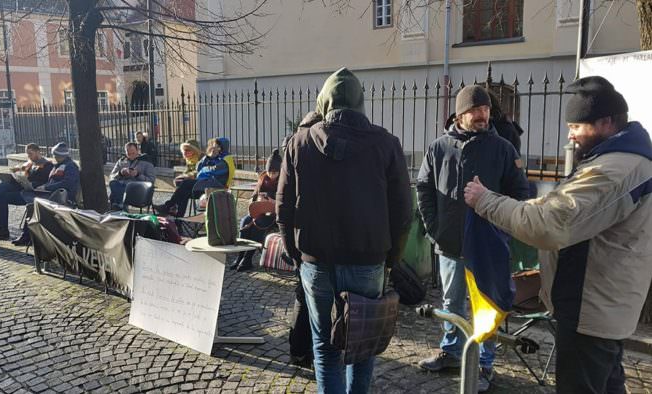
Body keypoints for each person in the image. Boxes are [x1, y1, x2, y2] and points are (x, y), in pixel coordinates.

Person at [463, 76, 651, 394]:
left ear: (605, 123)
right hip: (601, 308)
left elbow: (550, 223)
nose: (570, 134)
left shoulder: (614, 170)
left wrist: (486, 201)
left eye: (576, 126)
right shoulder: (618, 160)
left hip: (590, 314)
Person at [277, 67, 412, 393]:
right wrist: (391, 260)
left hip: (316, 261)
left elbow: (283, 208)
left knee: (324, 347)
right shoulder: (386, 144)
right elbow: (403, 212)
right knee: (363, 345)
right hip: (368, 261)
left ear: (324, 101)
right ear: (360, 102)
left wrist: (297, 255)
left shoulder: (299, 142)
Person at [416, 85, 529, 392]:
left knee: (486, 306)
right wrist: (434, 228)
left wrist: (500, 229)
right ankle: (451, 351)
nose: (483, 115)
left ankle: (484, 363)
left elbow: (520, 194)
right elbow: (424, 188)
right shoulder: (439, 147)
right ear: (460, 114)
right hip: (450, 243)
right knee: (451, 303)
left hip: (488, 247)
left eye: (486, 110)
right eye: (476, 111)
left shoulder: (503, 148)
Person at [0, 143, 53, 241]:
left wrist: (28, 181)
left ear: (38, 152)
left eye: (30, 154)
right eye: (27, 154)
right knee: (3, 193)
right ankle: (3, 231)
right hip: (24, 189)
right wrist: (16, 175)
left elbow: (43, 181)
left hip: (33, 194)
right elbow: (21, 173)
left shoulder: (47, 165)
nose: (29, 156)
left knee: (4, 190)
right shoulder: (29, 163)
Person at [12, 142, 81, 246]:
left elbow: (67, 183)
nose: (53, 157)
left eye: (55, 155)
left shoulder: (70, 166)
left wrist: (46, 187)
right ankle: (29, 236)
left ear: (60, 155)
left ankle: (27, 237)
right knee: (29, 198)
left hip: (61, 198)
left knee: (32, 204)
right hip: (50, 194)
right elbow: (52, 181)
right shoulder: (57, 165)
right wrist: (42, 187)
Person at [230, 149, 282, 272]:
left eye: (275, 172)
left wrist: (273, 202)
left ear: (280, 171)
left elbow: (286, 202)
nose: (272, 175)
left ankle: (248, 258)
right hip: (259, 212)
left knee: (258, 225)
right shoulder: (263, 179)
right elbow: (252, 198)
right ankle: (240, 256)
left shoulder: (284, 182)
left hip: (274, 215)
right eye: (270, 172)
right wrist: (257, 200)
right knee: (244, 222)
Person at [154, 137, 230, 217]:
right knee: (185, 192)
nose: (213, 148)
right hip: (204, 185)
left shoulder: (225, 160)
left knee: (186, 183)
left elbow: (211, 171)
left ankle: (168, 206)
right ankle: (178, 218)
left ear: (221, 148)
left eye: (216, 147)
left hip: (215, 189)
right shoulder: (213, 158)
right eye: (213, 146)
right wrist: (208, 157)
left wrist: (203, 170)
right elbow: (199, 168)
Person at [108, 142, 156, 210]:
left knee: (121, 190)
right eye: (128, 154)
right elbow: (111, 176)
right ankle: (120, 205)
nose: (131, 156)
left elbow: (151, 180)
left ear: (138, 151)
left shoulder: (146, 161)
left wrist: (138, 175)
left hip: (138, 189)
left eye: (133, 153)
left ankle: (119, 206)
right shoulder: (121, 161)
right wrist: (120, 173)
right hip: (122, 186)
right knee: (113, 183)